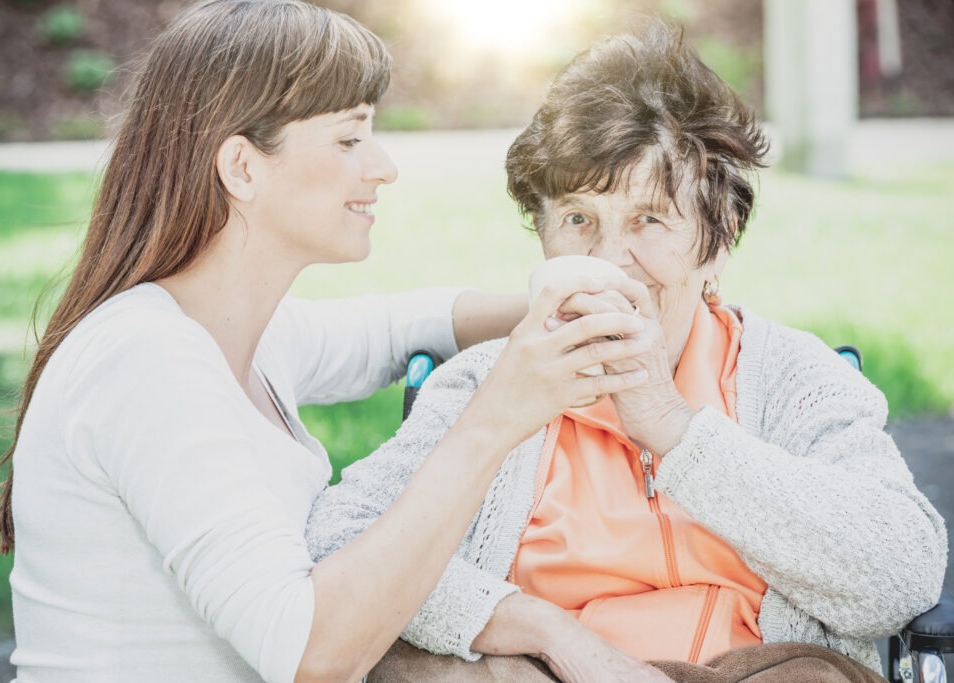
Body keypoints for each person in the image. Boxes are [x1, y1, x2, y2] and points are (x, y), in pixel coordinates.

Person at [0, 2, 652, 681]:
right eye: (348, 139)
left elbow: (405, 324)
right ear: (241, 168)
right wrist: (496, 420)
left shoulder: (243, 331)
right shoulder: (147, 365)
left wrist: (574, 302)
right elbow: (311, 654)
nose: (383, 166)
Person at [306, 21, 948, 682]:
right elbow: (332, 555)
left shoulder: (792, 377)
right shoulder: (486, 384)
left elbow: (901, 573)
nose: (612, 262)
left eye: (649, 219)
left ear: (717, 241)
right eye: (580, 219)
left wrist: (673, 426)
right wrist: (541, 626)